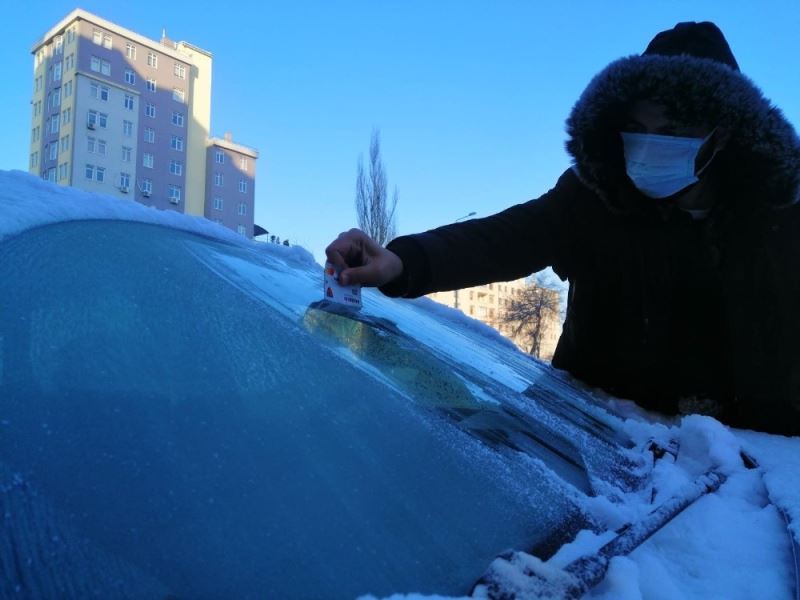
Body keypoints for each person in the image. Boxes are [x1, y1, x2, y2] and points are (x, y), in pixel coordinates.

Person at [326, 22, 800, 436]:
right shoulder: (595, 196)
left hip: (751, 478)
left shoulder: (784, 219)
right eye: (638, 127)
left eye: (674, 129)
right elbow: (504, 239)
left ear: (725, 133)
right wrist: (403, 263)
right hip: (598, 446)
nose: (651, 146)